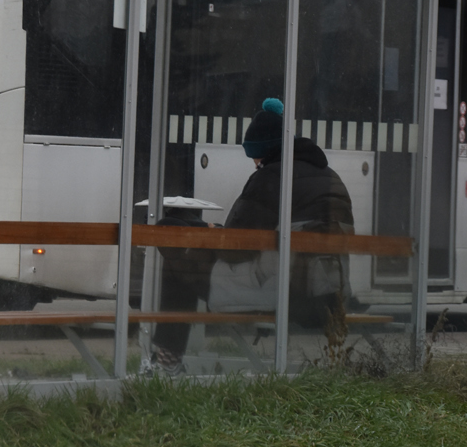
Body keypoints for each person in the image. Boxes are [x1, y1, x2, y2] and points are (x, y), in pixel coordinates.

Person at [146, 97, 354, 375]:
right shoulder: (331, 178)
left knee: (175, 250)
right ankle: (167, 358)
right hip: (328, 294)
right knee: (184, 243)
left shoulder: (271, 177)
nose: (255, 163)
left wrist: (209, 233)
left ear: (265, 151)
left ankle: (167, 361)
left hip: (281, 290)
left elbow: (235, 249)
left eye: (255, 158)